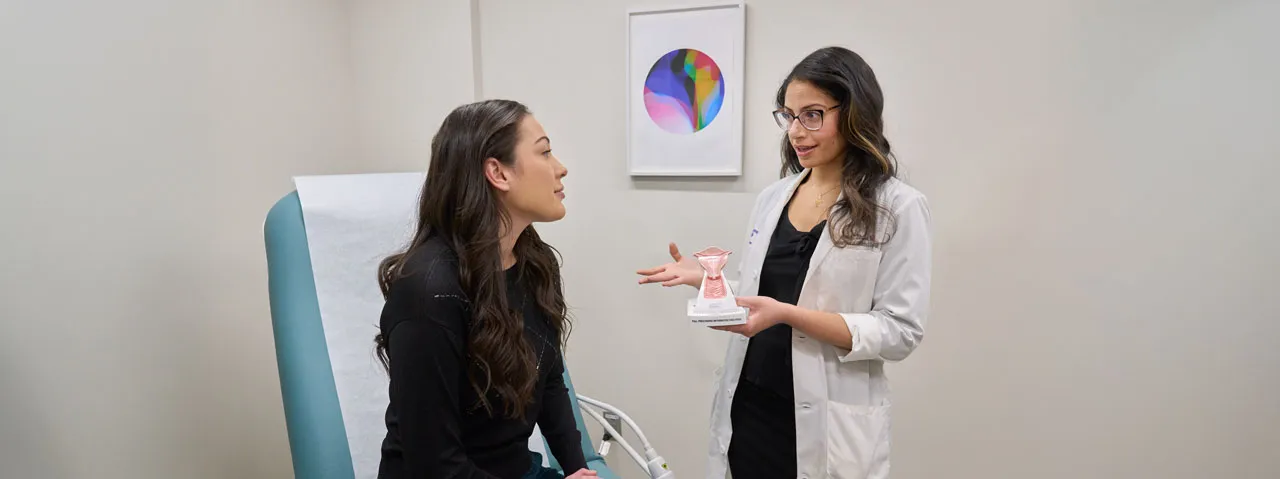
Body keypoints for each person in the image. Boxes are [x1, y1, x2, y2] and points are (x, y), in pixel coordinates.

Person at [637, 46, 933, 479]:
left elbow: (899, 330)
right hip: (751, 408)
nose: (796, 131)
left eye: (812, 114)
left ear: (854, 113)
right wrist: (711, 280)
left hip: (828, 426)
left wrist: (788, 316)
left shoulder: (898, 207)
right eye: (789, 115)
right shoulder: (773, 198)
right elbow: (771, 293)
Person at [373, 99, 597, 479]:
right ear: (498, 172)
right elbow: (435, 464)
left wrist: (578, 468)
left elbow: (550, 378)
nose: (561, 168)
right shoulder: (428, 291)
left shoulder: (535, 262)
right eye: (544, 152)